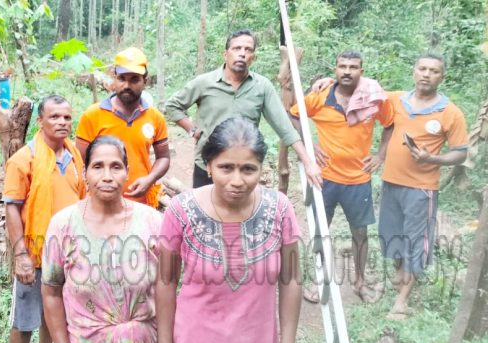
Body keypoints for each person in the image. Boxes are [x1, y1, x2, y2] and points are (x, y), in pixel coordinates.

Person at [155, 117, 302, 343]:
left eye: (248, 169)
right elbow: (165, 282)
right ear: (208, 166)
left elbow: (292, 280)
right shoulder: (181, 211)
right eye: (226, 168)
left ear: (261, 168)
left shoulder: (280, 209)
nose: (237, 180)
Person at [42, 136, 163, 343]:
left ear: (127, 172)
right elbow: (51, 293)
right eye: (98, 166)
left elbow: (171, 297)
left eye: (115, 167)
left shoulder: (153, 223)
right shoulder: (63, 225)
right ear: (85, 173)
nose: (107, 176)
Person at [289, 50, 395, 303]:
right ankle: (319, 280)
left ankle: (359, 282)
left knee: (359, 233)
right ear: (335, 69)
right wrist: (308, 142)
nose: (347, 71)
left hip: (358, 180)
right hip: (323, 179)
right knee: (320, 231)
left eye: (353, 66)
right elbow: (292, 115)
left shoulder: (372, 98)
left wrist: (380, 156)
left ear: (362, 70)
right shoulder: (321, 96)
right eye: (342, 66)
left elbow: (390, 124)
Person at [3, 95, 86, 343]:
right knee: (24, 319)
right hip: (35, 253)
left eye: (66, 117)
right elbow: (12, 209)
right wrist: (21, 255)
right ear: (40, 121)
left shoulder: (73, 154)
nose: (62, 122)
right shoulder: (24, 159)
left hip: (67, 252)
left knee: (57, 310)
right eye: (54, 117)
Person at [164, 29, 322, 190]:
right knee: (204, 212)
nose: (242, 54)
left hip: (245, 168)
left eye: (248, 50)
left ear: (253, 57)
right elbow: (172, 106)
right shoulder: (204, 82)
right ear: (225, 54)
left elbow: (284, 127)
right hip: (208, 165)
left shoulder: (262, 87)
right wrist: (192, 130)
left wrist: (308, 162)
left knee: (241, 214)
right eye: (237, 48)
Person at [376, 54, 468, 320]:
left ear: (442, 77)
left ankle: (402, 301)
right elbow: (365, 90)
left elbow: (460, 153)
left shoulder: (450, 112)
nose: (426, 74)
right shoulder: (396, 100)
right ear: (414, 71)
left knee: (415, 241)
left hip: (422, 188)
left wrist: (433, 158)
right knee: (391, 234)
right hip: (391, 181)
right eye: (422, 68)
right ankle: (400, 271)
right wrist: (325, 82)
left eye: (434, 71)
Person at [76, 47, 170, 208]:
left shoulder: (155, 117)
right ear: (114, 78)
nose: (127, 85)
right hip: (99, 203)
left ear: (145, 82)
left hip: (141, 204)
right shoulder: (92, 115)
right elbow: (79, 161)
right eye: (122, 78)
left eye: (134, 79)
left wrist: (150, 179)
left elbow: (164, 157)